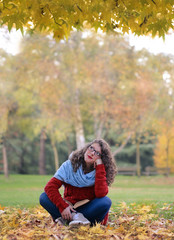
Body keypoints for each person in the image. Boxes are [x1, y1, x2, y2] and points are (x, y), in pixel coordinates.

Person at [39, 139, 117, 226]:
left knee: (105, 202)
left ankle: (71, 221)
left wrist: (100, 166)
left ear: (102, 158)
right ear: (86, 148)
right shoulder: (69, 165)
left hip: (87, 210)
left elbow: (101, 194)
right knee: (44, 197)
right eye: (91, 148)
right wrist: (63, 207)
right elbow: (50, 187)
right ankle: (73, 218)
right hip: (69, 209)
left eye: (97, 153)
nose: (92, 153)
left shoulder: (100, 171)